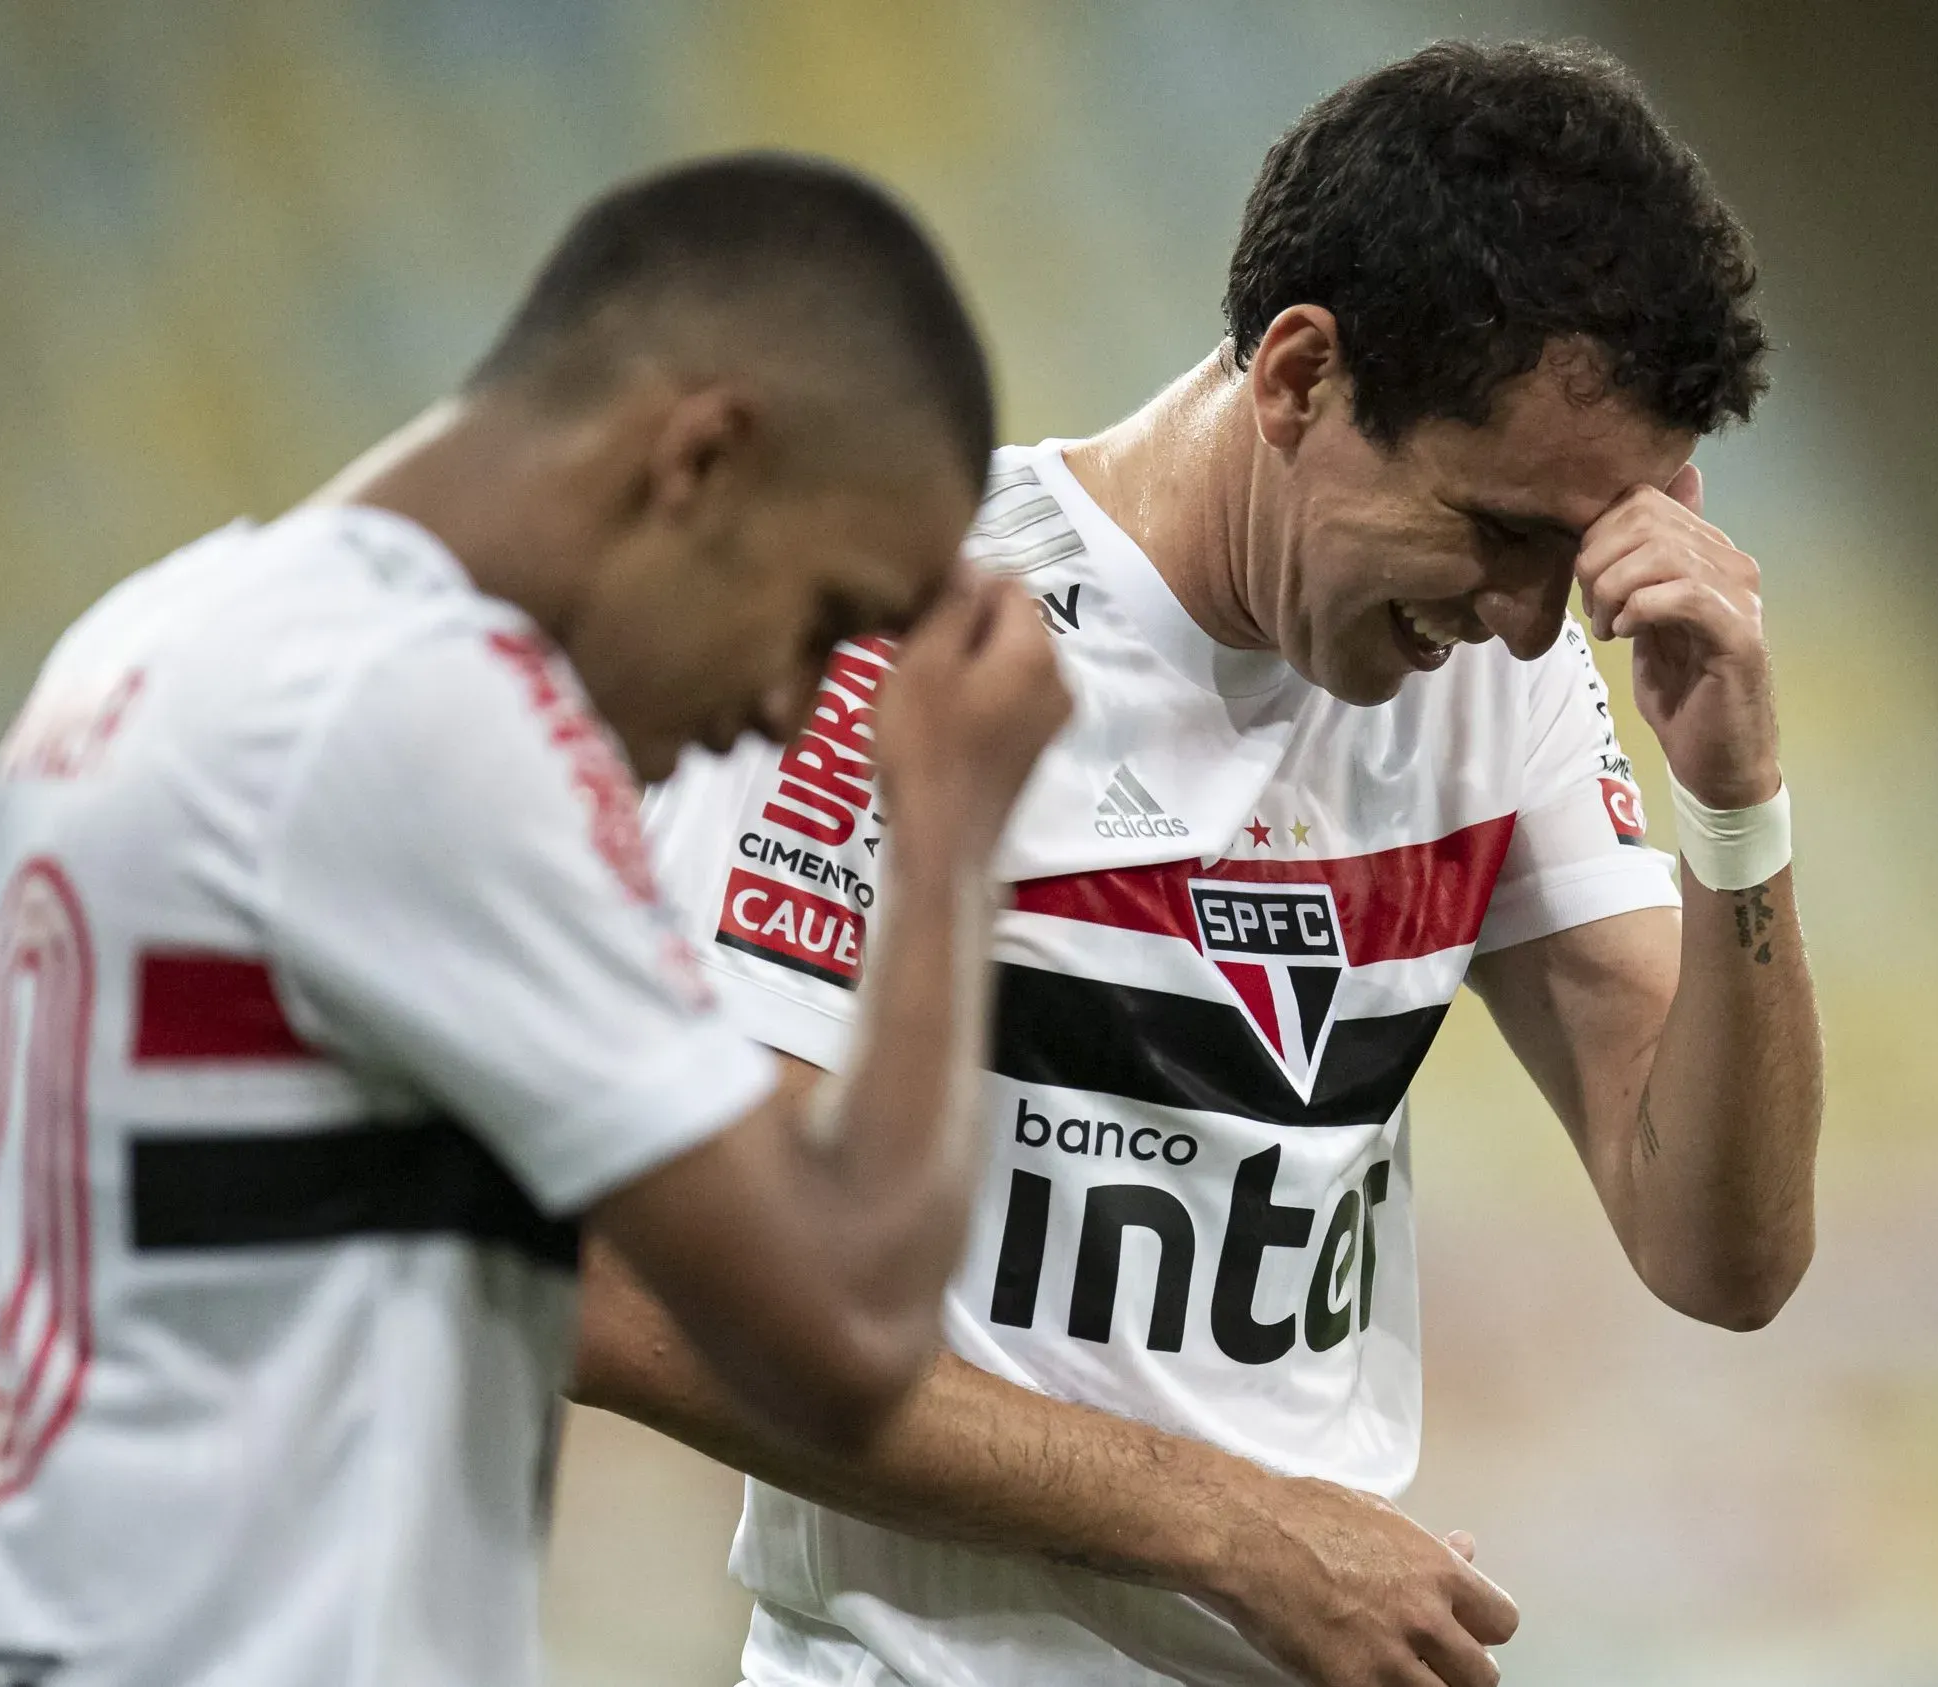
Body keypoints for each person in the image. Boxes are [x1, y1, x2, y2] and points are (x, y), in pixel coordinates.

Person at [581, 40, 1823, 1687]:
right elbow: (626, 1287)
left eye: (1580, 548)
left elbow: (1723, 1255)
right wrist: (1236, 1530)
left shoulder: (1500, 682)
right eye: (1503, 531)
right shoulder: (885, 642)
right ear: (1300, 377)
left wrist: (1735, 810)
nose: (1537, 619)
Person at [0, 154, 1071, 1687]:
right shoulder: (427, 714)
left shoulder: (141, 644)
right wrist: (946, 839)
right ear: (702, 461)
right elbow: (848, 1339)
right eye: (822, 617)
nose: (790, 709)